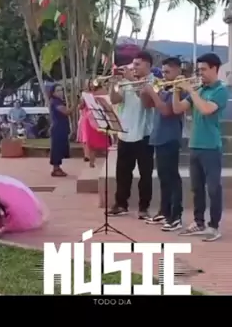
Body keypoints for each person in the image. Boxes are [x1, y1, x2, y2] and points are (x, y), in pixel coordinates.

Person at [172, 53, 229, 242]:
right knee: (196, 188)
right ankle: (198, 222)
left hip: (211, 146)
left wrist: (191, 90)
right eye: (199, 70)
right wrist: (176, 90)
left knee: (213, 188)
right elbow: (178, 109)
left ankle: (214, 226)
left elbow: (206, 110)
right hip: (195, 144)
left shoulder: (220, 90)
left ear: (215, 69)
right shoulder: (200, 90)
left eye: (204, 69)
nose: (200, 73)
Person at [108, 51, 155, 219]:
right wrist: (113, 84)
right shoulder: (126, 81)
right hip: (125, 133)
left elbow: (147, 101)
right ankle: (121, 204)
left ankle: (144, 207)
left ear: (148, 65)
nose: (133, 67)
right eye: (133, 64)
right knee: (122, 172)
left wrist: (131, 79)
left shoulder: (153, 82)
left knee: (145, 174)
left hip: (144, 133)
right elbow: (115, 100)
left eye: (137, 64)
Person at [143, 57, 184, 231]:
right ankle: (164, 211)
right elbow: (148, 105)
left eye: (168, 72)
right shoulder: (164, 88)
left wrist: (153, 93)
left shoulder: (180, 89)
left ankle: (175, 216)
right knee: (163, 177)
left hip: (170, 138)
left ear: (178, 71)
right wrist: (146, 92)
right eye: (163, 72)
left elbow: (167, 111)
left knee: (172, 177)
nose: (164, 75)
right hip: (159, 137)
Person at [79, 79, 111, 168]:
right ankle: (91, 162)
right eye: (89, 83)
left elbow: (107, 103)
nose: (91, 84)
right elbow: (81, 107)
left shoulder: (102, 91)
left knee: (105, 141)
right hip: (89, 119)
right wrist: (81, 100)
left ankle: (109, 161)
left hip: (100, 118)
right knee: (91, 142)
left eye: (93, 82)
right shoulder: (85, 94)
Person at [49, 83, 74, 177]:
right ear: (53, 93)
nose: (61, 92)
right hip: (57, 128)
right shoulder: (55, 102)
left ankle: (57, 168)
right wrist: (75, 104)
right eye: (58, 90)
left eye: (61, 90)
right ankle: (56, 169)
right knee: (57, 149)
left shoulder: (59, 101)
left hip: (62, 127)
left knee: (60, 148)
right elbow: (66, 112)